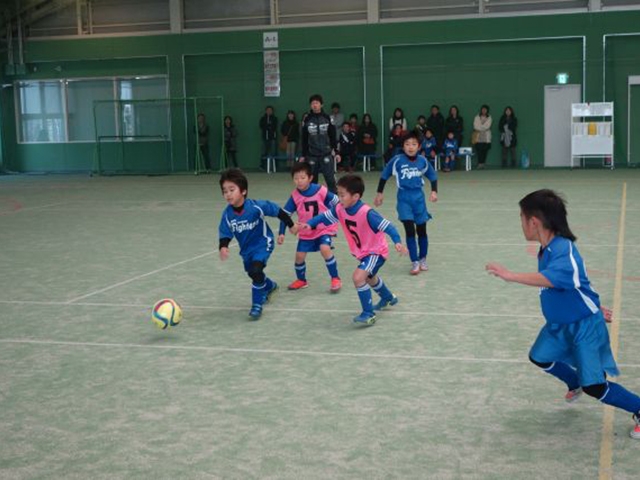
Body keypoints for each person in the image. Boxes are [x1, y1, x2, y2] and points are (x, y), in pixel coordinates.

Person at [486, 189, 640, 440]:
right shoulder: (547, 249)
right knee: (540, 356)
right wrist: (594, 304)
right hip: (560, 323)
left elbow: (554, 278)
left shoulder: (563, 249)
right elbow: (577, 283)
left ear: (533, 222)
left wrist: (510, 275)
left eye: (521, 218)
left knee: (596, 386)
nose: (521, 224)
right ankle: (574, 381)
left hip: (583, 327)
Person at [301, 174, 408, 326]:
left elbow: (389, 227)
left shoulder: (368, 213)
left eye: (342, 195)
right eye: (338, 193)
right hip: (364, 253)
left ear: (356, 196)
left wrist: (397, 242)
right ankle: (388, 297)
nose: (339, 197)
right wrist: (310, 224)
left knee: (358, 277)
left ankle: (368, 313)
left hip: (376, 252)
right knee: (370, 278)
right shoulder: (340, 208)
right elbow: (324, 217)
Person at [218, 168, 296, 319]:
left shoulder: (255, 207)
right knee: (253, 273)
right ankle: (269, 285)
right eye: (224, 191)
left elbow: (278, 211)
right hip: (246, 250)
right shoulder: (227, 214)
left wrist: (291, 225)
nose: (228, 194)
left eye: (231, 190)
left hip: (263, 243)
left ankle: (257, 305)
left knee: (255, 270)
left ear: (244, 191)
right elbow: (225, 232)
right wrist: (223, 246)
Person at [375, 131, 438, 275]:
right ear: (403, 146)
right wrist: (380, 193)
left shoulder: (422, 161)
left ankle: (423, 259)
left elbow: (432, 176)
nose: (410, 147)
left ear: (419, 146)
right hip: (404, 199)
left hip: (419, 199)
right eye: (407, 144)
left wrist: (434, 191)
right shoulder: (397, 160)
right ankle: (414, 261)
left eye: (414, 144)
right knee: (410, 230)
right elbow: (384, 175)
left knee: (422, 230)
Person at [278, 162, 342, 293]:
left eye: (302, 178)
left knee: (325, 249)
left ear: (310, 178)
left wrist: (334, 216)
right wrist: (281, 233)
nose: (299, 181)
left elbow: (337, 202)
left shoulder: (321, 190)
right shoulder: (295, 196)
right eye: (296, 178)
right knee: (299, 256)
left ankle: (335, 278)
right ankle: (301, 280)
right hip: (306, 231)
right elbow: (284, 214)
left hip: (324, 228)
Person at [300, 94, 340, 193]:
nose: (315, 105)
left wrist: (336, 152)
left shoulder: (328, 118)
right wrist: (303, 155)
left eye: (317, 103)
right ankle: (314, 202)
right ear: (310, 105)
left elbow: (333, 136)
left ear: (321, 105)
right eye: (313, 103)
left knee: (331, 180)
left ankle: (334, 203)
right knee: (312, 182)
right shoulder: (307, 119)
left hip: (326, 154)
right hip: (311, 155)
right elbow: (304, 138)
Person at [473, 104, 492, 169]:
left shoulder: (489, 117)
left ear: (487, 111)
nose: (484, 110)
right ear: (481, 110)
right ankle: (479, 163)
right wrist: (482, 128)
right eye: (483, 109)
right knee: (479, 150)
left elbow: (488, 126)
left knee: (485, 150)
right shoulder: (476, 117)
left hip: (486, 137)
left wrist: (480, 127)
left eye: (485, 109)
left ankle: (483, 163)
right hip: (478, 136)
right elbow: (475, 126)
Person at [259, 106, 278, 171]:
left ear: (272, 111)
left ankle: (274, 167)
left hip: (272, 138)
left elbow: (274, 126)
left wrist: (269, 126)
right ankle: (262, 166)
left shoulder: (274, 118)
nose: (269, 111)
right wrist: (267, 125)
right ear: (266, 111)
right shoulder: (263, 118)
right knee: (264, 152)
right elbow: (262, 126)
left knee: (273, 152)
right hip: (265, 138)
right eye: (268, 110)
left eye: (270, 110)